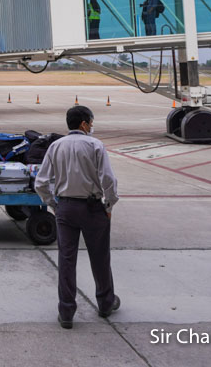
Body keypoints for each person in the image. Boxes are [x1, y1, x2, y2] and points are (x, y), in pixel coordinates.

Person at [35, 105, 120, 329]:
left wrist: (54, 204)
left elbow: (41, 182)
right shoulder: (95, 145)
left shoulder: (55, 146)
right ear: (83, 123)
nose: (92, 126)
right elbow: (109, 180)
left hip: (66, 208)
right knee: (100, 258)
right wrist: (109, 204)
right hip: (92, 207)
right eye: (91, 122)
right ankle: (105, 303)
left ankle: (66, 312)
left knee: (66, 259)